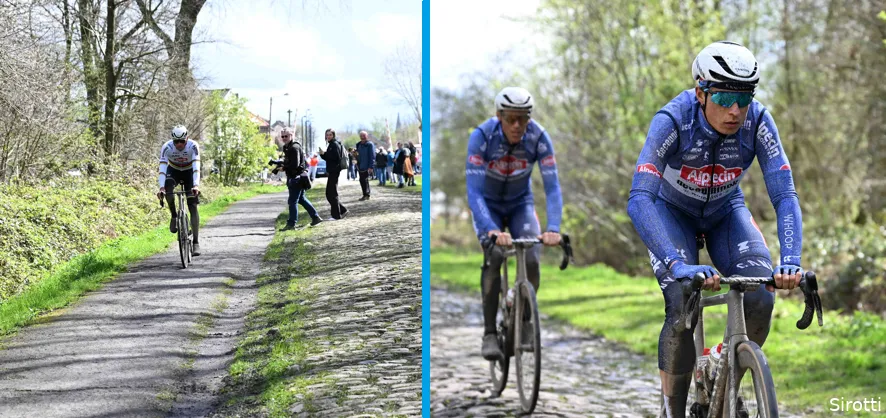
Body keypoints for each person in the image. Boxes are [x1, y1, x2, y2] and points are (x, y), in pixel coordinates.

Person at [626, 41, 804, 417]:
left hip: (726, 213)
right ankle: (673, 410)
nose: (735, 110)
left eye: (744, 98)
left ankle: (728, 367)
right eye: (723, 97)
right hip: (671, 213)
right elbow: (639, 199)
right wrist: (676, 264)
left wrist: (790, 261)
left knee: (760, 297)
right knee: (681, 305)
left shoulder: (758, 121)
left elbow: (785, 195)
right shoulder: (673, 121)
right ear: (700, 92)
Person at [465, 86, 563, 361]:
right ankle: (489, 333)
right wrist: (490, 229)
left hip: (521, 204)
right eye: (511, 118)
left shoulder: (539, 138)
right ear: (499, 116)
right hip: (489, 205)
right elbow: (473, 192)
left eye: (524, 118)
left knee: (531, 258)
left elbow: (552, 187)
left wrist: (553, 227)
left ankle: (525, 318)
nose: (518, 125)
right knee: (495, 255)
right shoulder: (482, 137)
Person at [157, 125, 203, 256]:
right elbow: (162, 168)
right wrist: (161, 188)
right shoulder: (167, 147)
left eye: (182, 141)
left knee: (192, 206)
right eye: (176, 142)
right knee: (167, 189)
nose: (179, 144)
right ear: (172, 140)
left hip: (189, 171)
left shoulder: (193, 146)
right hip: (174, 170)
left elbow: (196, 167)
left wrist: (196, 185)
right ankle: (174, 216)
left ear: (187, 139)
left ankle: (195, 242)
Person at [279, 128, 323, 230]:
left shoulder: (294, 147)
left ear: (291, 135)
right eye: (282, 136)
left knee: (292, 201)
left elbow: (295, 164)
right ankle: (315, 217)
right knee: (301, 199)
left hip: (296, 178)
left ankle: (291, 224)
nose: (284, 138)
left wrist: (284, 167)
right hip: (296, 177)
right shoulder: (287, 147)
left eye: (286, 136)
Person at [319, 129, 349, 220]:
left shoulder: (334, 144)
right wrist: (322, 155)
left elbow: (335, 157)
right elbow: (329, 158)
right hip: (332, 171)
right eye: (327, 135)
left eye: (330, 135)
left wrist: (325, 154)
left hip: (334, 171)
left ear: (333, 135)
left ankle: (336, 215)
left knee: (332, 193)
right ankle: (342, 210)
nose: (328, 137)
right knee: (329, 193)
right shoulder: (331, 144)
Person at [355, 131, 376, 200]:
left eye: (364, 135)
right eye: (361, 135)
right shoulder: (358, 144)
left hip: (367, 166)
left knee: (365, 180)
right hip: (360, 166)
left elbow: (372, 156)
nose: (362, 137)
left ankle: (366, 195)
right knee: (362, 180)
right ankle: (365, 194)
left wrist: (371, 166)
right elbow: (357, 155)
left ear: (367, 136)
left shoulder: (370, 144)